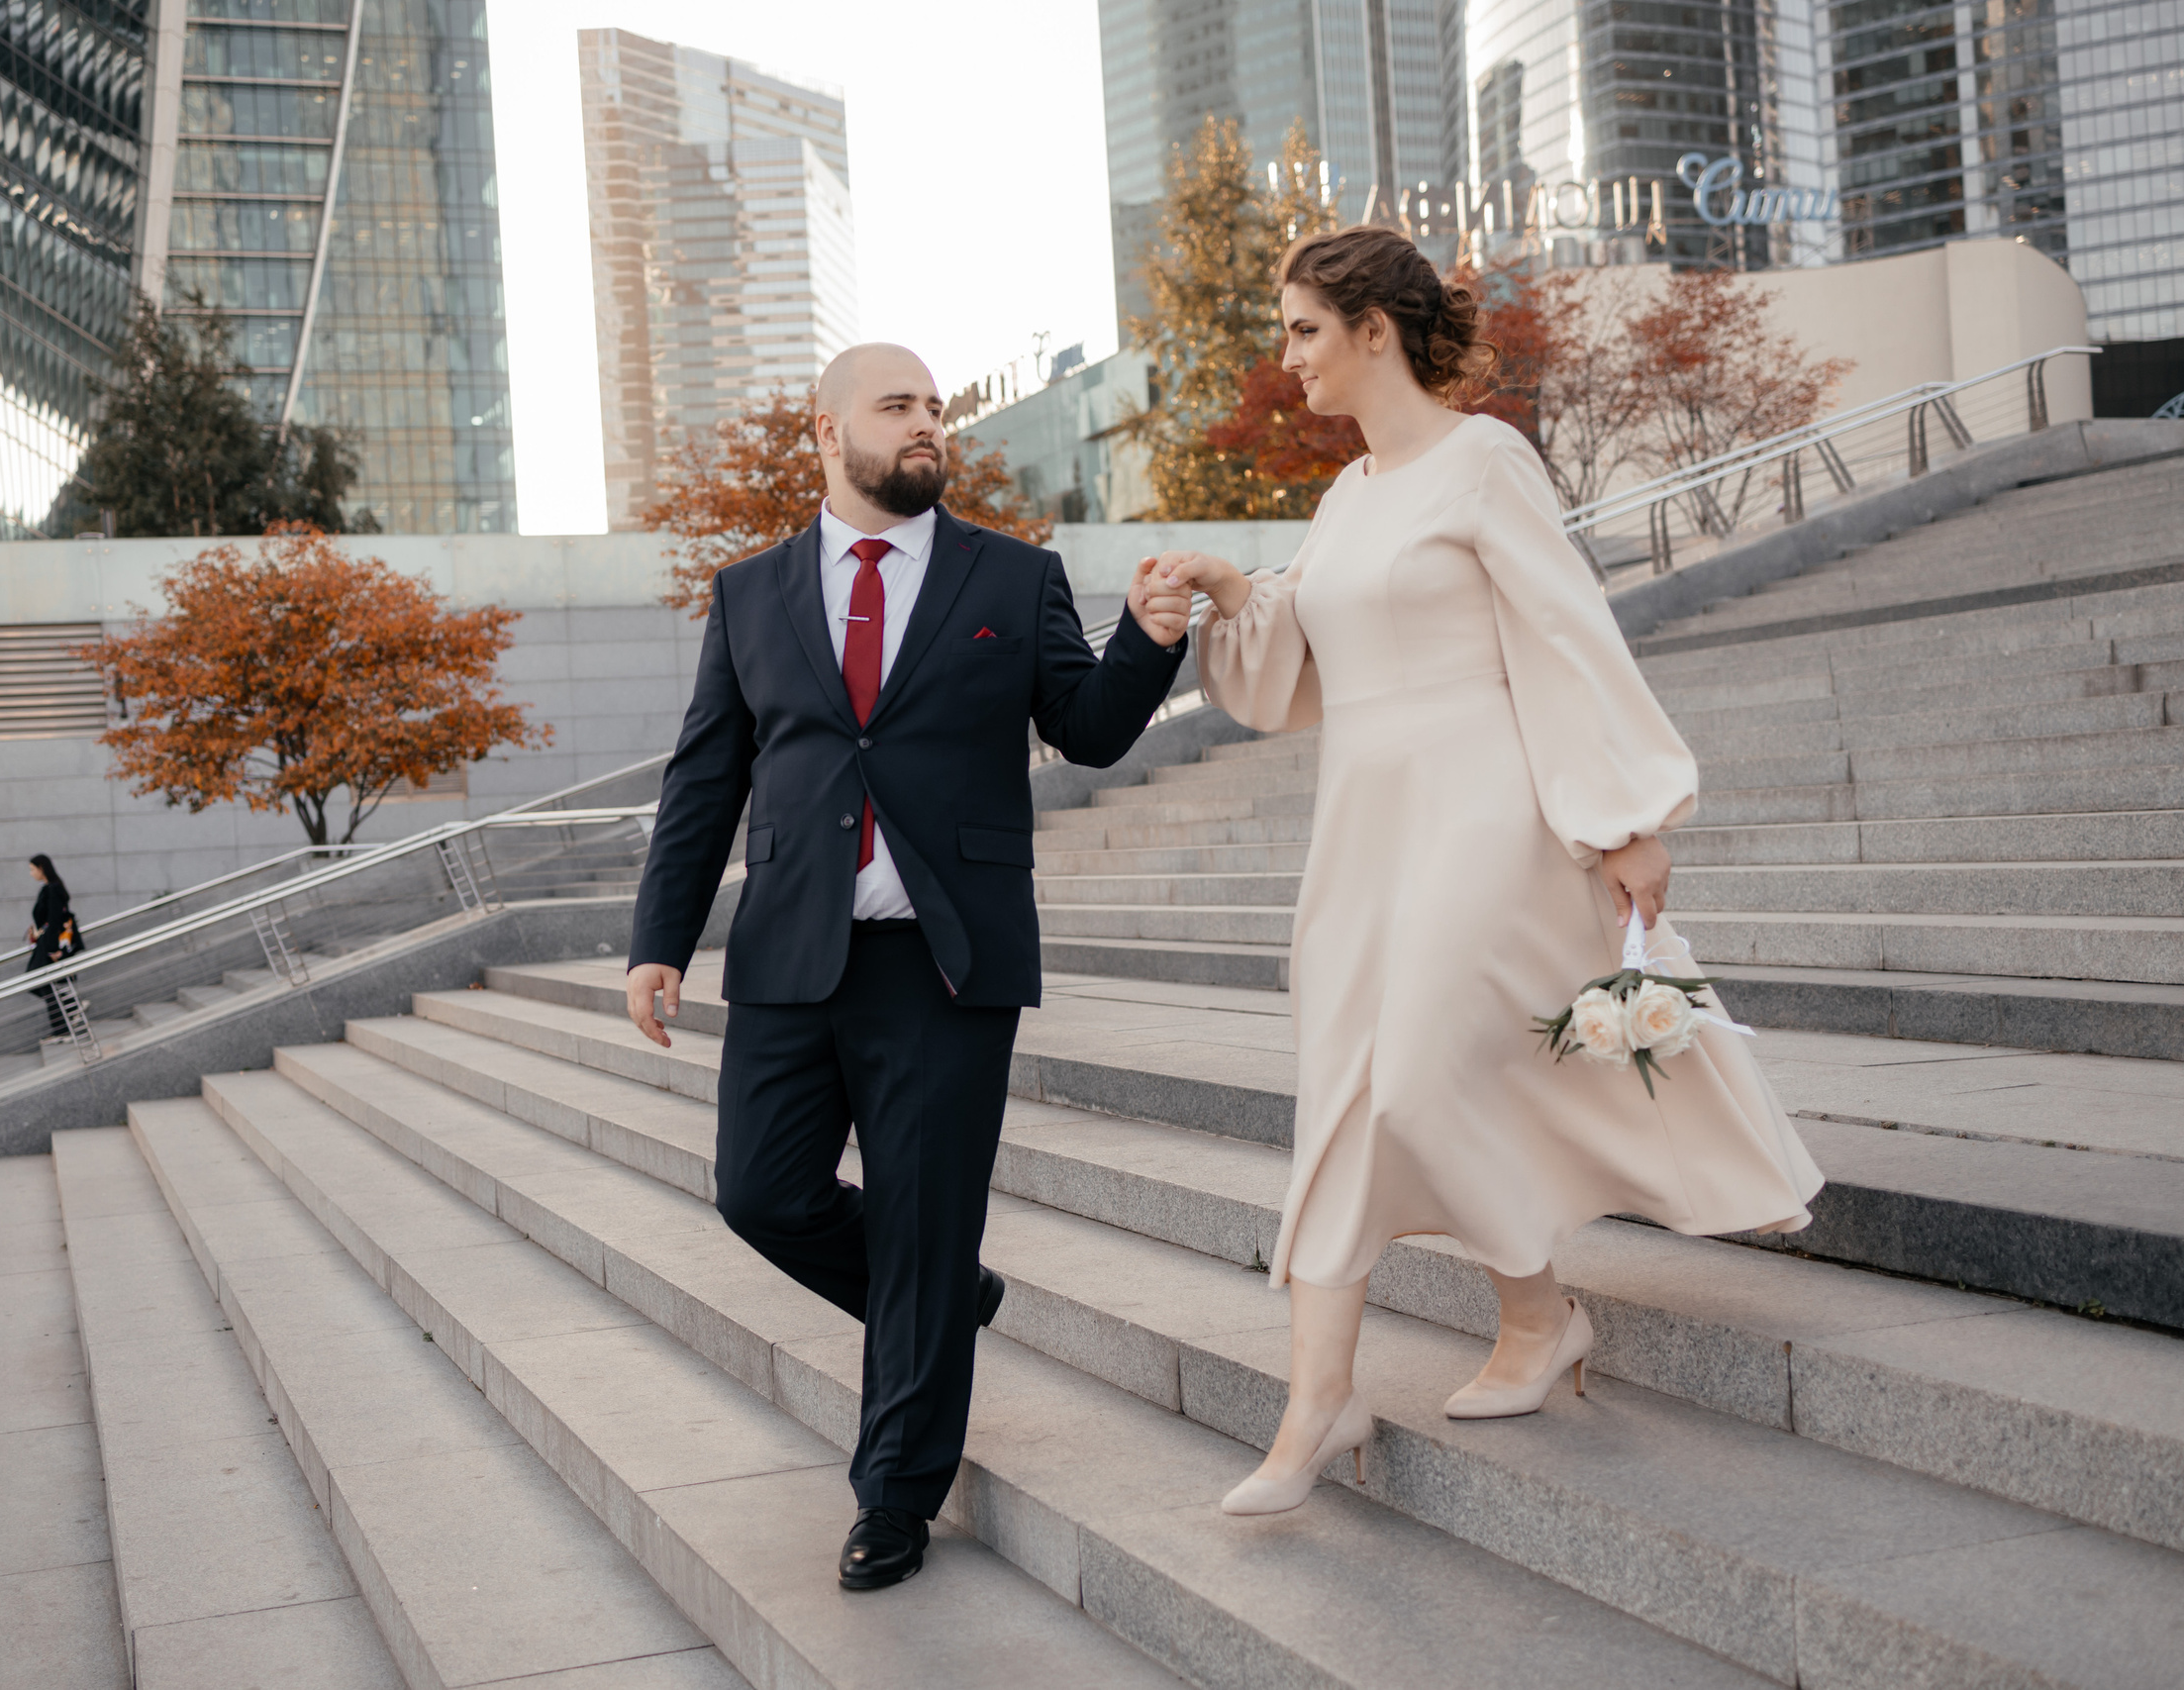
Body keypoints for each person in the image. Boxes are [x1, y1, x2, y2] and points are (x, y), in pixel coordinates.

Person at [1154, 228, 1824, 1517]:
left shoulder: (1484, 462)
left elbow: (1566, 634)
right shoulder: (1347, 499)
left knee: (1403, 1074)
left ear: (1372, 331)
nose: (1284, 356)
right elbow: (1298, 662)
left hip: (1482, 814)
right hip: (1365, 825)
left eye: (1300, 328)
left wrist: (1630, 814)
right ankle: (1363, 1382)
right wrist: (1236, 585)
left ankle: (1501, 1324)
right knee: (1348, 1085)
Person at [623, 343, 1193, 1591]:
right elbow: (705, 777)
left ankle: (895, 1496)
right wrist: (659, 942)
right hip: (789, 952)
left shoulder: (1012, 574)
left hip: (947, 960)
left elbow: (1087, 732)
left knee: (926, 1227)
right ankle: (942, 1298)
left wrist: (1145, 643)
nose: (928, 425)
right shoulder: (750, 593)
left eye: (936, 408)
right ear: (827, 434)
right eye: (898, 407)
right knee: (761, 1195)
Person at [25, 854, 83, 1036]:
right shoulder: (49, 889)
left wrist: (53, 949)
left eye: (32, 869)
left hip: (51, 946)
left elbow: (55, 919)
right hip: (47, 943)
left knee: (40, 982)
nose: (31, 873)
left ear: (42, 868)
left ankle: (65, 1022)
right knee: (41, 983)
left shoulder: (53, 890)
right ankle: (68, 1013)